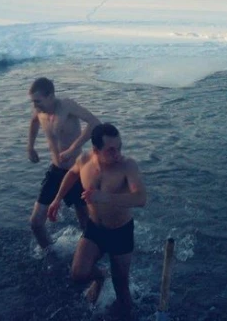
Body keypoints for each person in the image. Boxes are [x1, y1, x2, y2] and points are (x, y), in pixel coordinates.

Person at [47, 123, 146, 317]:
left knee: (122, 292)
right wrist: (57, 199)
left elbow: (141, 198)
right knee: (78, 274)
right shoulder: (84, 160)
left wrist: (106, 197)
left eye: (119, 147)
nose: (117, 153)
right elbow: (72, 174)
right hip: (95, 229)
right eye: (110, 150)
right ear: (95, 150)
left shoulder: (127, 166)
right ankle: (101, 277)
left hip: (121, 232)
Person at [27, 77, 101, 249]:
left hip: (77, 172)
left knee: (85, 221)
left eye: (38, 101)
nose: (35, 105)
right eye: (33, 102)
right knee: (36, 222)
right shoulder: (39, 109)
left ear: (51, 95)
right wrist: (30, 147)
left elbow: (95, 123)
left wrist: (73, 147)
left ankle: (88, 257)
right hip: (55, 171)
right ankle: (50, 253)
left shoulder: (66, 106)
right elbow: (33, 121)